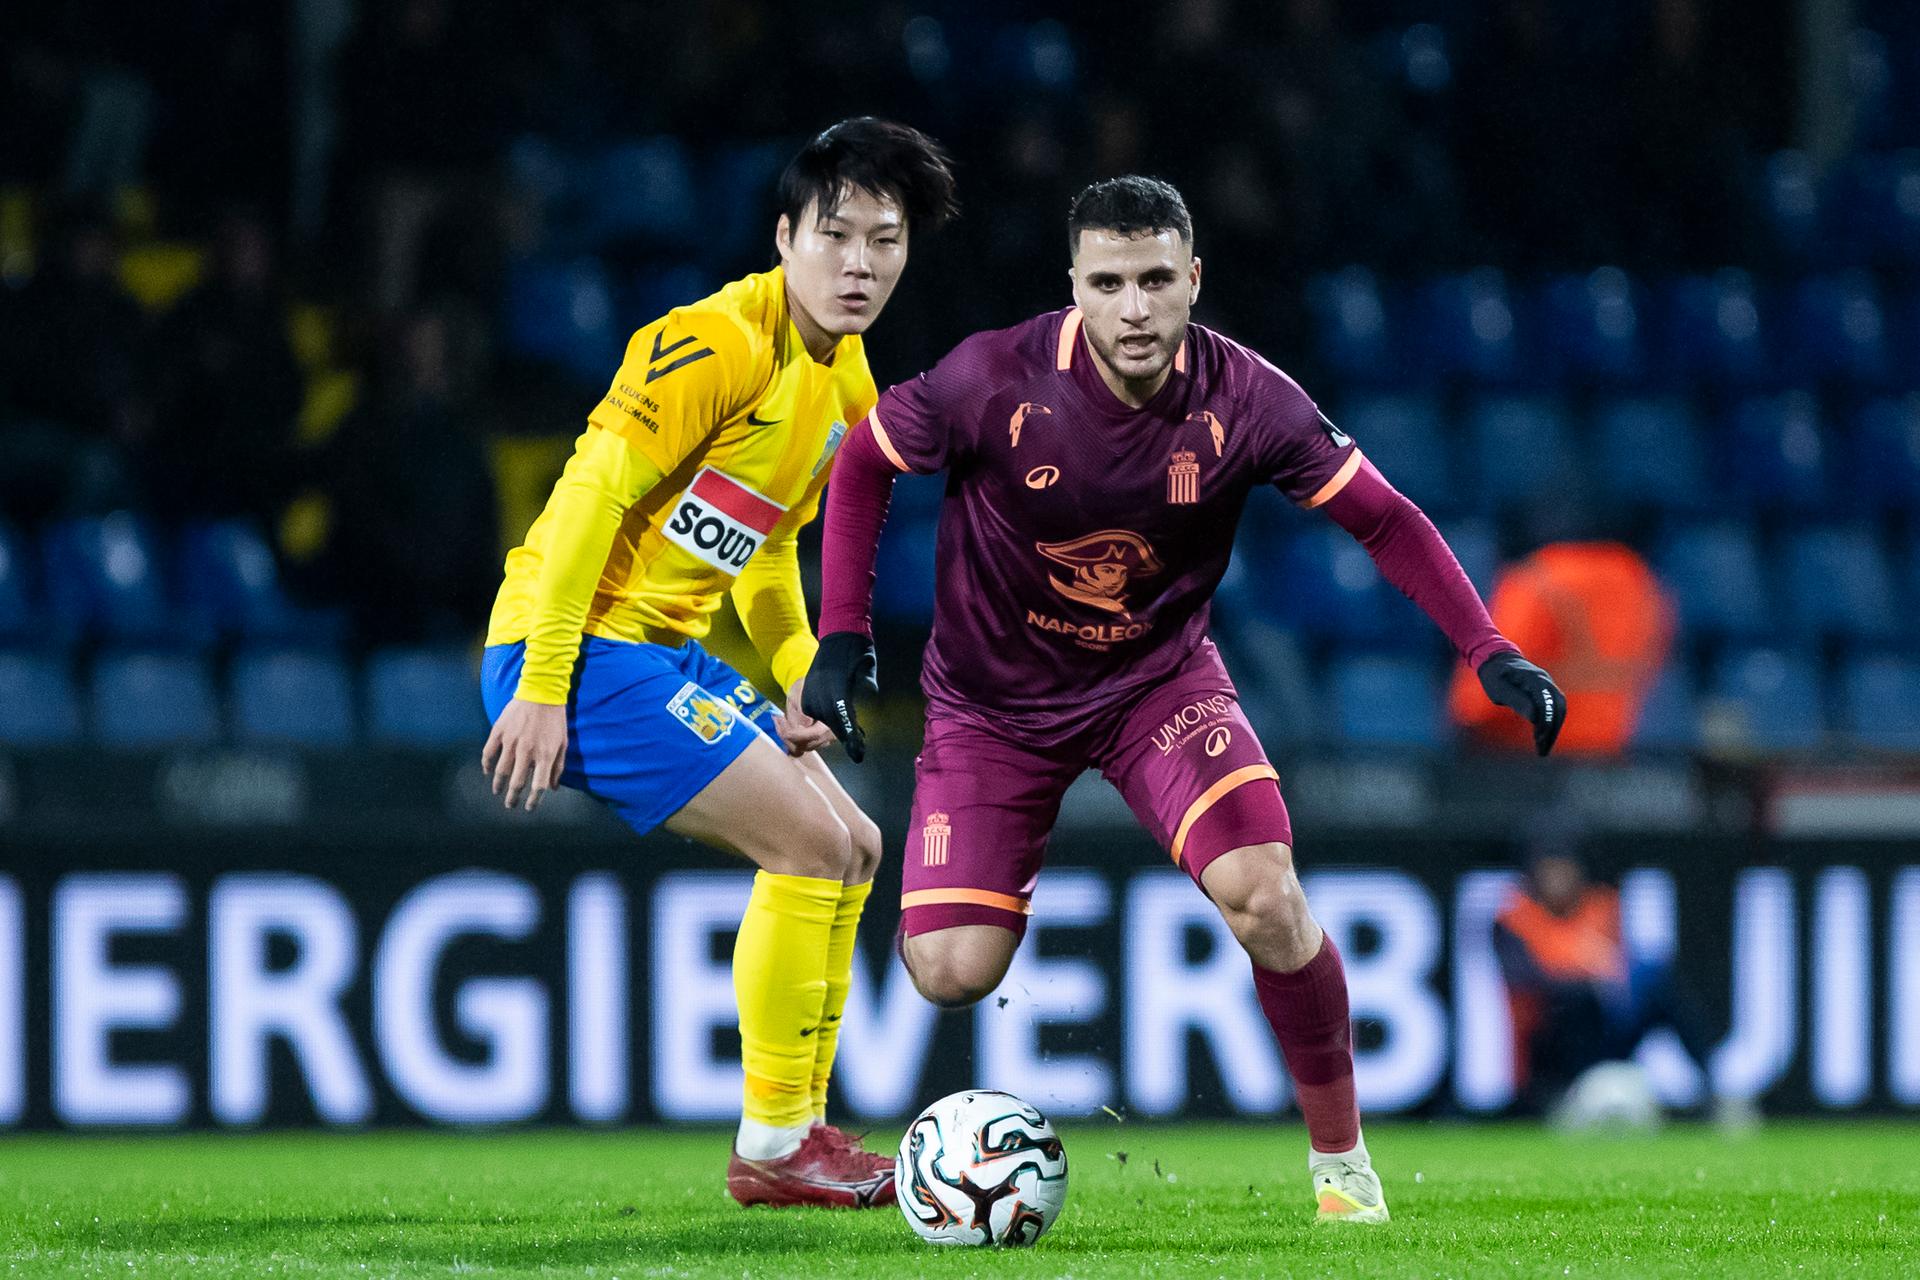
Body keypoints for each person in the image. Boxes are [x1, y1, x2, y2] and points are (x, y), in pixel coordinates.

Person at [804, 176, 1565, 1225]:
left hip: (1153, 686)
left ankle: (1343, 1167)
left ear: (1193, 280)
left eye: (1156, 279)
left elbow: (1386, 520)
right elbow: (863, 465)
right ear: (1072, 286)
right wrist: (842, 632)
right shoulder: (992, 377)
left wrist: (1488, 647)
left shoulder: (1250, 399)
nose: (1134, 308)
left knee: (1266, 892)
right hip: (990, 708)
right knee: (945, 970)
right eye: (1108, 282)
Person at [479, 118, 957, 1209]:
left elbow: (767, 540)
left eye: (885, 241)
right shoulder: (711, 343)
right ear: (784, 236)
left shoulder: (844, 384)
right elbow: (588, 499)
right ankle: (777, 1143)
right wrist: (546, 683)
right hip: (574, 648)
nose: (860, 262)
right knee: (803, 841)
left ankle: (795, 1131)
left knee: (855, 841)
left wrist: (796, 663)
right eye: (835, 235)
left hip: (661, 652)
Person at [1493, 840, 1728, 1118]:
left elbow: (1621, 967)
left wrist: (1608, 977)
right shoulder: (1516, 918)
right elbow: (1527, 980)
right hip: (1550, 1038)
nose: (1558, 880)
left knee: (1658, 982)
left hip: (1603, 1026)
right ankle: (1561, 1096)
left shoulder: (1600, 907)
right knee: (1573, 1000)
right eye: (1549, 871)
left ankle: (1713, 1095)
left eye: (1564, 870)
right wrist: (1585, 974)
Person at [1448, 540, 1674, 756]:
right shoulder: (1643, 584)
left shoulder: (1536, 580)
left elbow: (1478, 705)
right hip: (1616, 757)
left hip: (1529, 761)